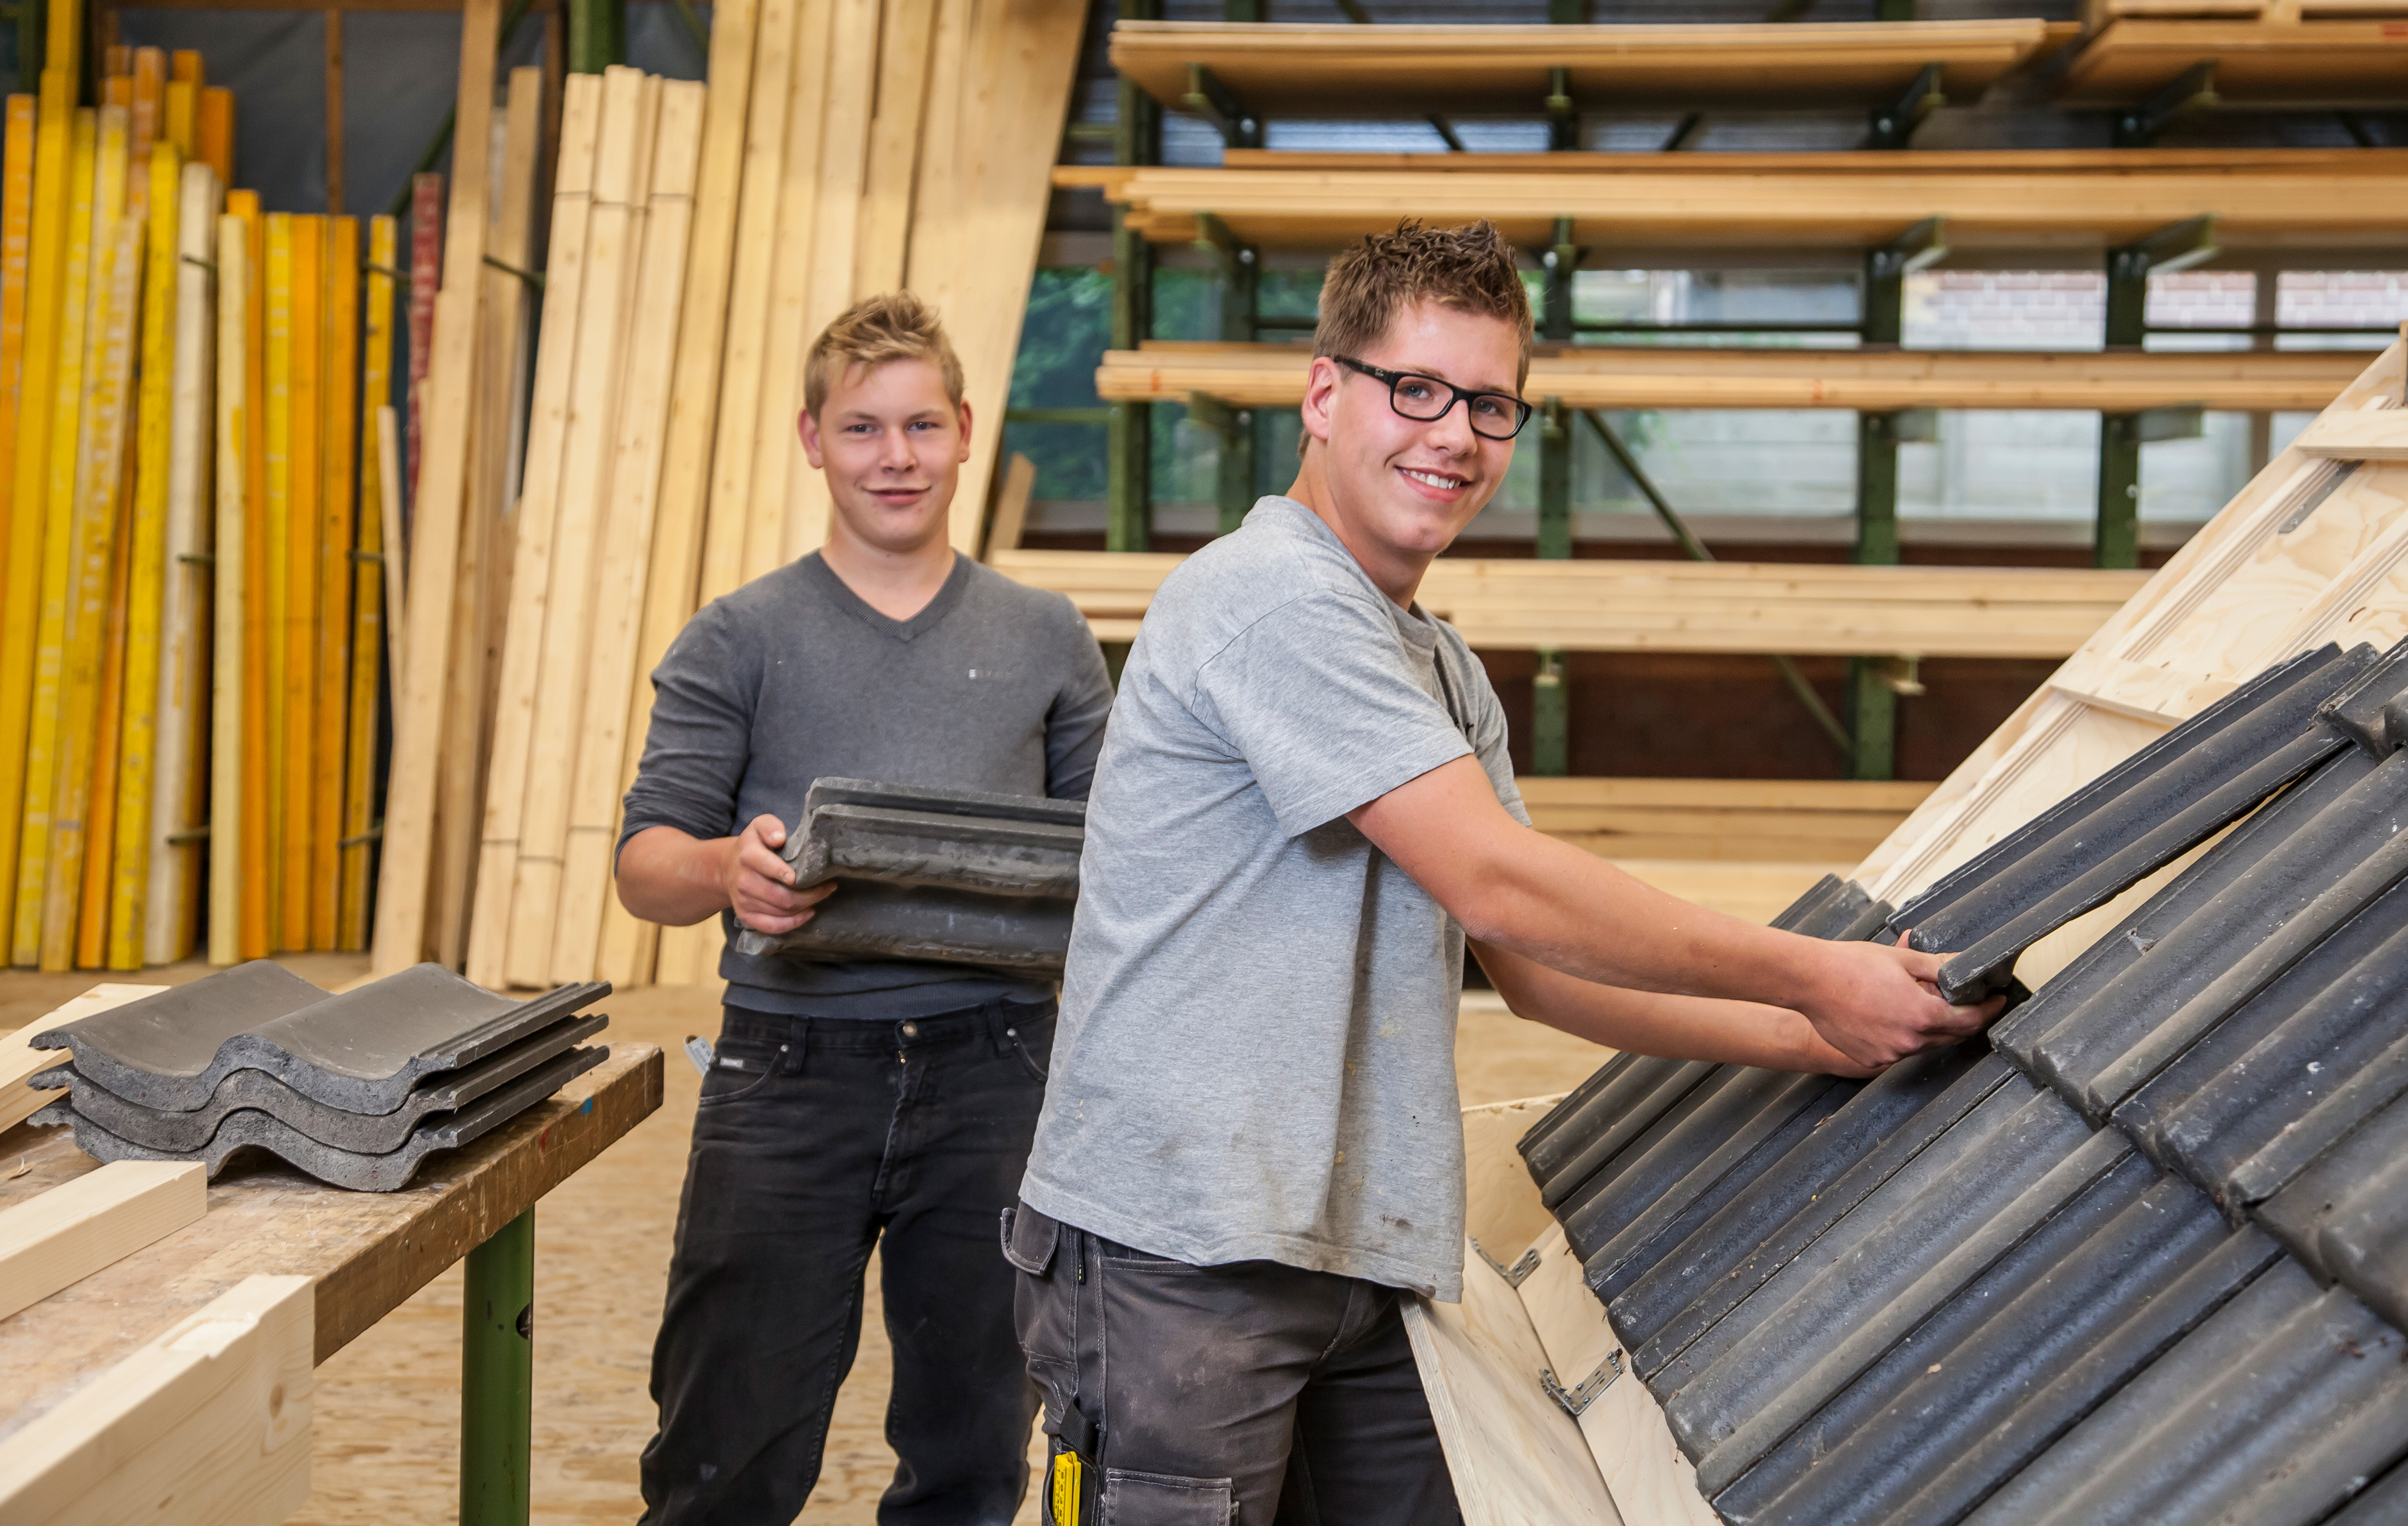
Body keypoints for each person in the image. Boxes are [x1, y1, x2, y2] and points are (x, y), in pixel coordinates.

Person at [1008, 222, 2000, 1524]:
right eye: (1413, 389)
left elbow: (1535, 974)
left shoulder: (1438, 663)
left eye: (1489, 403)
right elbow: (1501, 885)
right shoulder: (1271, 600)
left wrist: (1821, 1032)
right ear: (1323, 394)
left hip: (1352, 1254)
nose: (1453, 434)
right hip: (1176, 1259)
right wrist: (1817, 968)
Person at [618, 292, 1112, 1526]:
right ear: (811, 438)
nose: (895, 457)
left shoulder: (1048, 635)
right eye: (862, 428)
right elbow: (643, 860)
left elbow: (1115, 857)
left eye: (921, 426)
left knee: (971, 1445)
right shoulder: (740, 635)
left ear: (965, 432)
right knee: (726, 1441)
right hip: (786, 1067)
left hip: (998, 1063)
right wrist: (727, 867)